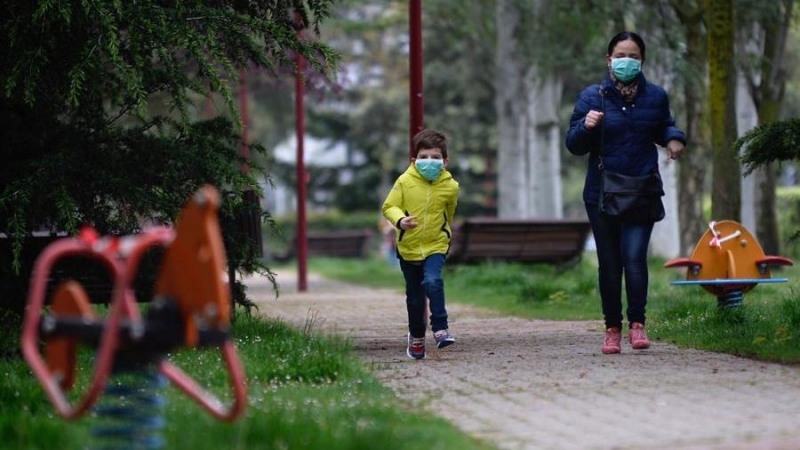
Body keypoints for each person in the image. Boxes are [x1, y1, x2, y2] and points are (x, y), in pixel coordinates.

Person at [565, 31, 686, 354]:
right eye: (621, 55)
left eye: (633, 56)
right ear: (609, 59)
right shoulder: (593, 97)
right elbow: (574, 145)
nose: (627, 61)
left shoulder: (656, 96)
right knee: (609, 263)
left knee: (634, 259)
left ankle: (637, 324)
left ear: (642, 60)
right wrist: (586, 126)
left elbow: (663, 125)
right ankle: (611, 328)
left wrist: (675, 139)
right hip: (602, 193)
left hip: (641, 189)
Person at [382, 129, 459, 360]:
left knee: (433, 280)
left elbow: (450, 212)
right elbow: (389, 206)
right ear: (414, 160)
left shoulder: (451, 186)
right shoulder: (404, 181)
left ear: (445, 162)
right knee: (415, 298)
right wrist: (400, 220)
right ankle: (416, 337)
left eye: (435, 157)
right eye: (424, 157)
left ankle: (440, 329)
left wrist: (444, 232)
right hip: (409, 247)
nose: (429, 162)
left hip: (436, 244)